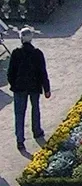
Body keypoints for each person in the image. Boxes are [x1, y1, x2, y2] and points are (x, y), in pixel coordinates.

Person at [8, 27, 51, 155]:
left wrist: (13, 84)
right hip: (34, 87)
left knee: (19, 114)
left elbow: (11, 73)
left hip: (19, 87)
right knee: (35, 109)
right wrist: (46, 89)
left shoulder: (16, 53)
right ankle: (37, 132)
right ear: (31, 39)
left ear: (21, 39)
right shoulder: (37, 53)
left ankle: (20, 140)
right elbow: (43, 72)